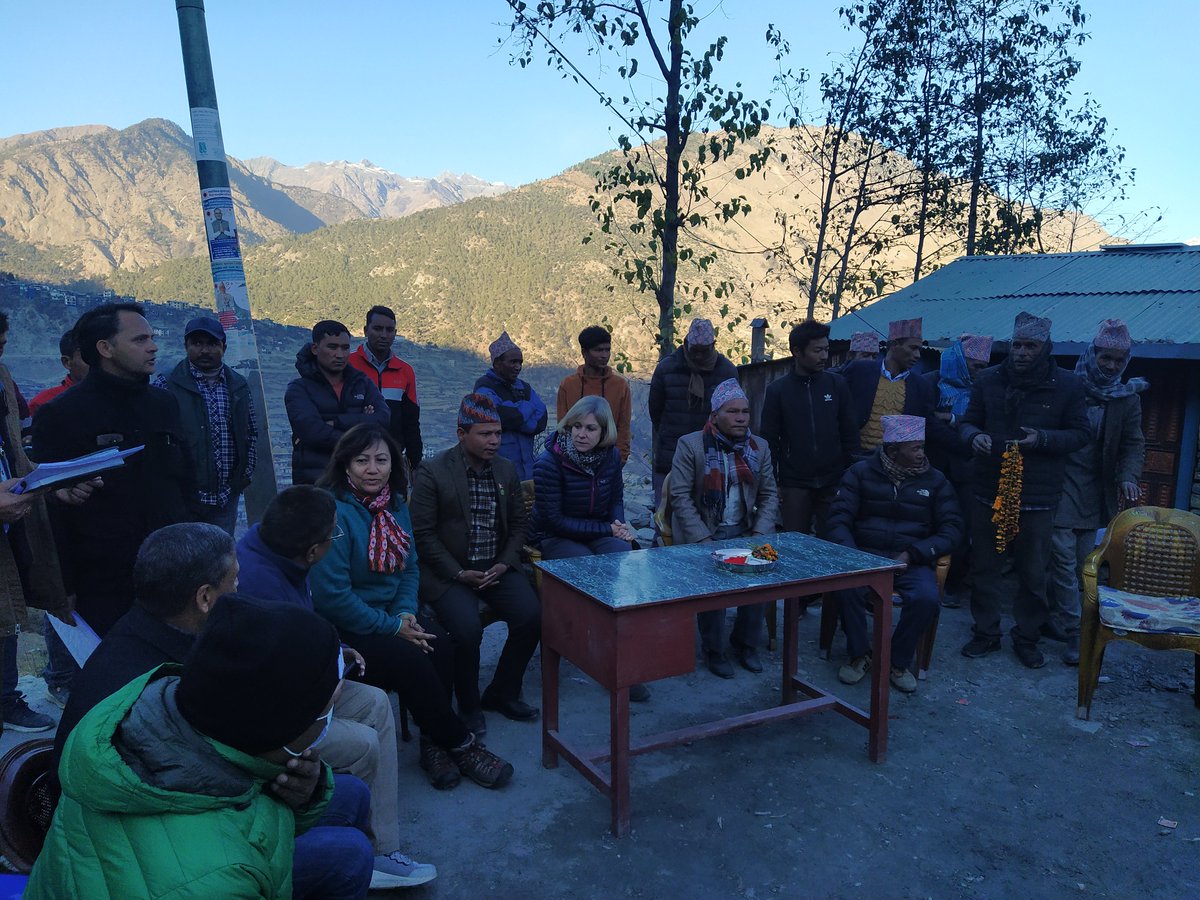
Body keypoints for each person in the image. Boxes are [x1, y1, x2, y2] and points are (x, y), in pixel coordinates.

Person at [30, 593, 376, 900]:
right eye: (328, 707)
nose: (330, 716)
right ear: (283, 727)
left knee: (353, 794)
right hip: (185, 870)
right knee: (352, 855)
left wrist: (303, 796)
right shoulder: (215, 884)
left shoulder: (167, 702)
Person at [237, 487, 437, 888]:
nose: (337, 538)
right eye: (334, 533)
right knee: (363, 742)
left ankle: (383, 849)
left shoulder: (279, 551)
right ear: (313, 552)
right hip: (272, 720)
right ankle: (352, 852)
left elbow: (305, 627)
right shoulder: (261, 589)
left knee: (376, 702)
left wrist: (335, 649)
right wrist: (328, 671)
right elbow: (277, 686)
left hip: (303, 682)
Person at [310, 424, 515, 791]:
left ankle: (432, 744)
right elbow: (333, 598)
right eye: (362, 461)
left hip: (393, 613)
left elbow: (410, 566)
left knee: (440, 644)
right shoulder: (332, 513)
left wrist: (405, 613)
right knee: (411, 659)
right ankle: (461, 743)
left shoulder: (394, 503)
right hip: (349, 625)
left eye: (381, 460)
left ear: (394, 464)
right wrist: (393, 627)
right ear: (345, 465)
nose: (372, 469)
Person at [32, 302, 191, 638]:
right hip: (103, 583)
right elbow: (51, 510)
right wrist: (64, 585)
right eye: (140, 340)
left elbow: (184, 483)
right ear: (105, 348)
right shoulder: (61, 415)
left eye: (152, 337)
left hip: (173, 571)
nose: (153, 347)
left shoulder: (164, 404)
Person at [958, 312, 1090, 669]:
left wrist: (1043, 439)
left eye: (1030, 346)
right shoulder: (988, 379)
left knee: (1033, 573)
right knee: (985, 567)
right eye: (1017, 345)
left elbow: (1081, 433)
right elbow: (968, 422)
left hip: (1038, 496)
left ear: (1045, 348)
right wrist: (974, 436)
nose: (1020, 352)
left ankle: (1027, 637)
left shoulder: (1068, 385)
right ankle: (986, 632)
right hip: (989, 490)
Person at [410, 394, 542, 728]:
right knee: (466, 631)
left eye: (497, 433)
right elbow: (422, 534)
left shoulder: (505, 469)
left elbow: (519, 525)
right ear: (461, 433)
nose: (494, 441)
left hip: (495, 567)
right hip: (450, 572)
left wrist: (505, 563)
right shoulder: (433, 471)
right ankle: (468, 705)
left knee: (531, 617)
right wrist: (458, 573)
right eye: (485, 434)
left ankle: (503, 692)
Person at [826, 415, 963, 693]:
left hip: (911, 561)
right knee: (846, 588)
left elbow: (952, 529)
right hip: (865, 557)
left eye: (922, 447)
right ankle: (859, 655)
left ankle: (897, 661)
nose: (921, 454)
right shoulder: (860, 473)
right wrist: (855, 557)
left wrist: (913, 554)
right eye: (915, 448)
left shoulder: (935, 481)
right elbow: (838, 519)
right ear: (892, 450)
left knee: (926, 598)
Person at [532, 396, 648, 701]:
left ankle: (625, 657)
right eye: (577, 427)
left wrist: (618, 524)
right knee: (589, 570)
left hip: (597, 529)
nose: (581, 434)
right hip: (556, 535)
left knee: (628, 559)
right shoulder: (549, 462)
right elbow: (554, 520)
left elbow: (616, 498)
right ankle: (592, 652)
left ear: (604, 432)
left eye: (590, 429)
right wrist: (607, 529)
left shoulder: (610, 457)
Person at [1050, 319, 1146, 665]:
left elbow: (1133, 444)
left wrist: (1128, 476)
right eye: (1106, 357)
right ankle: (1075, 633)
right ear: (1093, 354)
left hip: (1094, 491)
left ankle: (1063, 619)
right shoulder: (1067, 386)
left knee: (1083, 565)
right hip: (1059, 485)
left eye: (1119, 360)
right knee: (1062, 561)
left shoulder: (1126, 398)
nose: (1111, 366)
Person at [669, 378, 779, 677]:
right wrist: (703, 539)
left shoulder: (759, 447)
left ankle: (746, 644)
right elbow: (679, 497)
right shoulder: (691, 445)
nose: (741, 418)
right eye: (733, 411)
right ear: (715, 415)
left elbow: (769, 495)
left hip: (746, 530)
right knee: (713, 581)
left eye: (745, 411)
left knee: (763, 574)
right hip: (705, 532)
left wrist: (759, 535)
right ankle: (714, 650)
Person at [0, 345, 80, 734]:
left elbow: (15, 449)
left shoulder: (3, 379)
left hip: (8, 516)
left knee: (5, 609)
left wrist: (53, 485)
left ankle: (5, 699)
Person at [759, 320, 859, 547]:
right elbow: (769, 440)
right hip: (794, 483)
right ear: (797, 352)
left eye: (826, 349)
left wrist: (849, 475)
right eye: (817, 350)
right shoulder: (778, 391)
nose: (824, 356)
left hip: (834, 480)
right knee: (794, 545)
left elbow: (850, 434)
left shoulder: (836, 385)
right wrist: (773, 482)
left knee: (832, 544)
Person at [161, 316, 257, 535]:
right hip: (184, 496)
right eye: (197, 343)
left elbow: (250, 432)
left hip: (226, 496)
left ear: (224, 347)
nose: (204, 350)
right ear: (186, 346)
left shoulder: (238, 385)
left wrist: (244, 475)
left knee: (220, 550)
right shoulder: (167, 384)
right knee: (186, 550)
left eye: (212, 344)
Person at [923, 334, 993, 602]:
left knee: (961, 527)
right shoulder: (930, 382)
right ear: (962, 362)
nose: (980, 371)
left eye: (983, 366)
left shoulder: (984, 388)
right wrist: (965, 439)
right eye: (976, 366)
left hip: (968, 472)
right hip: (932, 466)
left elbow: (986, 423)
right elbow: (929, 422)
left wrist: (952, 418)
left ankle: (953, 584)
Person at [285, 319, 390, 485]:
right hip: (316, 482)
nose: (340, 355)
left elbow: (383, 418)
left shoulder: (362, 383)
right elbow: (313, 433)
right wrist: (362, 429)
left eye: (345, 348)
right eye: (332, 347)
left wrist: (336, 422)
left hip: (358, 483)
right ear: (315, 349)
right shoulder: (299, 389)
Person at [648, 317, 738, 507]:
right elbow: (655, 411)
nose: (698, 356)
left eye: (703, 351)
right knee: (667, 510)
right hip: (671, 452)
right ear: (686, 343)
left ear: (713, 345)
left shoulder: (726, 371)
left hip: (711, 455)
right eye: (694, 350)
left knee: (706, 510)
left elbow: (732, 411)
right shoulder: (666, 368)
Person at [841, 317, 951, 456]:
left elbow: (930, 424)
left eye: (919, 350)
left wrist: (968, 441)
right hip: (855, 457)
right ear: (894, 345)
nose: (917, 355)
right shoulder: (860, 371)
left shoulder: (920, 385)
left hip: (896, 460)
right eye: (913, 348)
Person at [347, 305, 423, 471]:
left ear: (395, 333)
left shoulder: (405, 371)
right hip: (353, 456)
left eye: (389, 330)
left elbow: (411, 422)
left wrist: (416, 464)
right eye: (378, 329)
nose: (383, 335)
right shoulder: (348, 365)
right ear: (366, 331)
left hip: (392, 459)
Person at [473, 331, 547, 481]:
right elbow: (497, 416)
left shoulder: (524, 387)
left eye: (520, 362)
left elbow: (542, 419)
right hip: (498, 472)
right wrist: (526, 408)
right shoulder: (484, 386)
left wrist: (514, 416)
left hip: (527, 472)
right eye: (513, 362)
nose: (518, 367)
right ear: (497, 363)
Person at [556, 325, 633, 466]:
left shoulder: (620, 386)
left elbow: (624, 426)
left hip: (609, 459)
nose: (604, 355)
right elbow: (563, 426)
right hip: (572, 460)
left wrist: (620, 459)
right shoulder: (568, 385)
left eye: (607, 350)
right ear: (584, 352)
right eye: (598, 350)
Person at [28, 328, 88, 416]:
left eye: (99, 356)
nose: (95, 362)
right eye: (87, 356)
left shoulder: (109, 396)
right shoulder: (43, 403)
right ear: (67, 362)